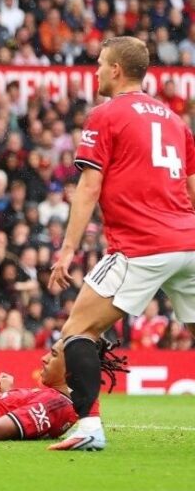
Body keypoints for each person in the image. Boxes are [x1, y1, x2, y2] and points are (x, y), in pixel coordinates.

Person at [49, 35, 195, 451]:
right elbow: (192, 188)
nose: (95, 71)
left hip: (142, 245)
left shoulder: (106, 115)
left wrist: (67, 249)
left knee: (78, 331)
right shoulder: (174, 120)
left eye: (99, 63)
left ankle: (89, 428)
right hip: (189, 243)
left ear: (116, 69)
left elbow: (89, 187)